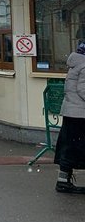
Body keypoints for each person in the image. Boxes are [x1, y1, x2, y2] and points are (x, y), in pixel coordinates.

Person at [55, 43, 85, 193]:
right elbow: (83, 89)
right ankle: (63, 182)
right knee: (77, 148)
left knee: (69, 147)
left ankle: (63, 180)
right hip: (80, 114)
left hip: (71, 112)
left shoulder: (75, 64)